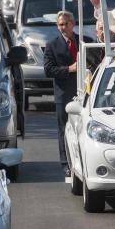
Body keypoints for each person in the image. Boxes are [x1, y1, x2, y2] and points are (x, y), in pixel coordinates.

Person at [43, 11, 92, 177]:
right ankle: (66, 164)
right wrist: (69, 69)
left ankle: (85, 161)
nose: (63, 27)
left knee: (85, 127)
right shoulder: (52, 45)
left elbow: (94, 62)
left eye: (66, 24)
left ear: (73, 23)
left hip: (85, 92)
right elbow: (48, 70)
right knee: (64, 129)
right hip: (63, 94)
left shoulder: (85, 42)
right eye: (60, 25)